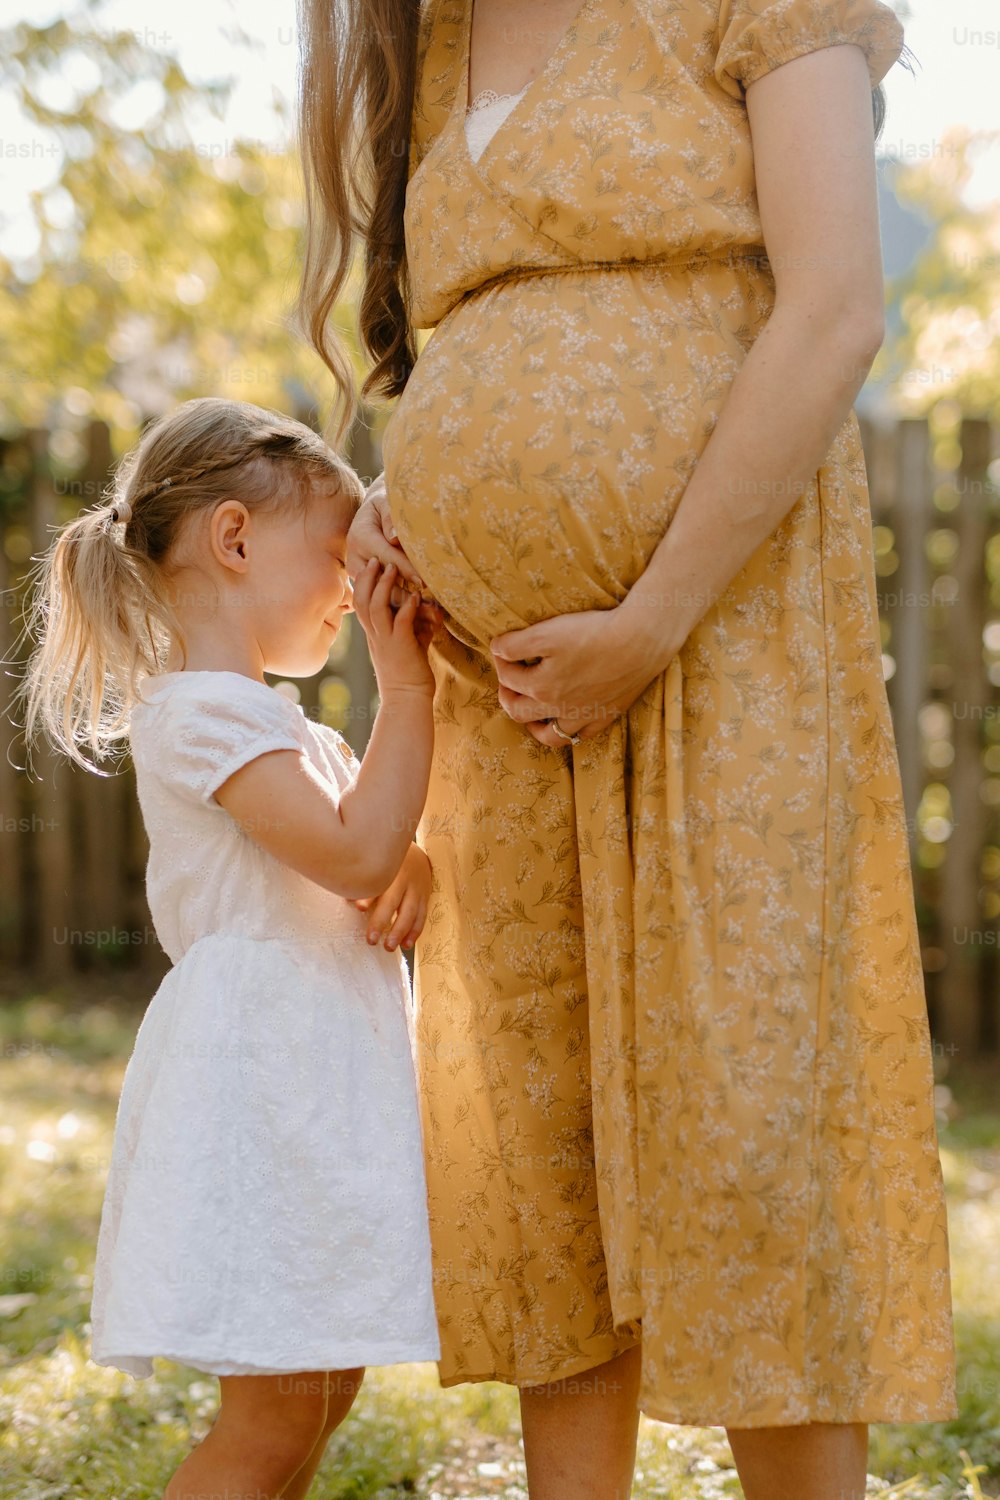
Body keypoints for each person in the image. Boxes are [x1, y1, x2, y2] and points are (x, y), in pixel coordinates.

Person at [296, 2, 959, 1496]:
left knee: (746, 1131)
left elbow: (837, 306)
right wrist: (411, 507)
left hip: (723, 636)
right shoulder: (435, 40)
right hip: (502, 698)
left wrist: (650, 616)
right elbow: (473, 338)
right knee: (546, 1156)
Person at [19, 396, 445, 1500]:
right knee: (270, 1419)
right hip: (264, 1089)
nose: (355, 591)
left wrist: (419, 863)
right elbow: (354, 855)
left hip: (317, 1079)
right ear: (235, 537)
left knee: (318, 1395)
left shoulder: (283, 729)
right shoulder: (205, 717)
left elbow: (372, 856)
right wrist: (408, 689)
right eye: (337, 557)